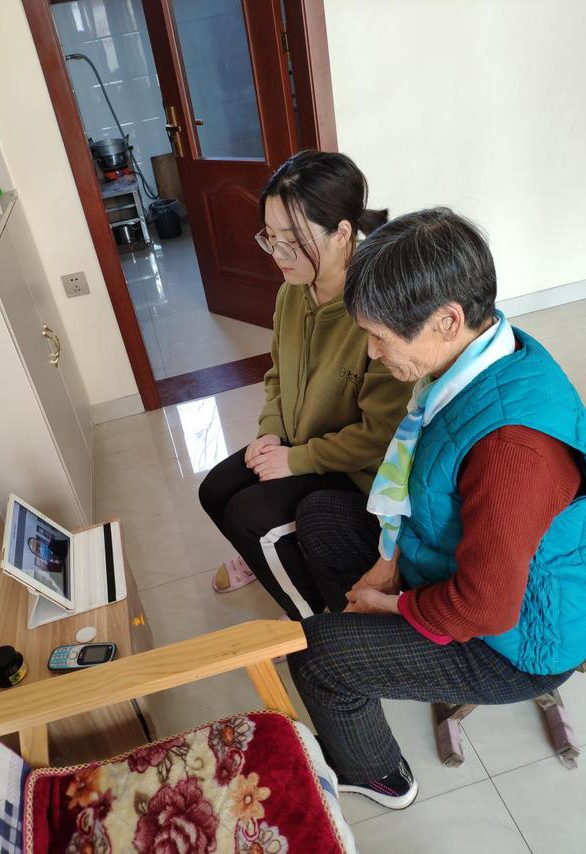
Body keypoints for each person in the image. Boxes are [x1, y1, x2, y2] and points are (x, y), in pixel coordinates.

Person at [288, 207, 586, 809]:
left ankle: (378, 774)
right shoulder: (483, 356)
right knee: (320, 513)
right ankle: (369, 654)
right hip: (463, 569)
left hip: (519, 641)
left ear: (447, 320)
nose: (372, 353)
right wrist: (388, 562)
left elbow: (487, 606)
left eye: (380, 336)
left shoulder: (511, 449)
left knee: (317, 657)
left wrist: (393, 603)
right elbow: (426, 485)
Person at [198, 151, 413, 619]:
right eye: (270, 238)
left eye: (292, 242)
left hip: (353, 470)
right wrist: (271, 431)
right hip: (300, 444)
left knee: (249, 515)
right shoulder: (291, 294)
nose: (278, 256)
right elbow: (277, 374)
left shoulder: (376, 311)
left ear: (342, 233)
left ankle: (313, 619)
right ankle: (270, 556)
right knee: (214, 490)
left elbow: (379, 436)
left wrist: (297, 460)